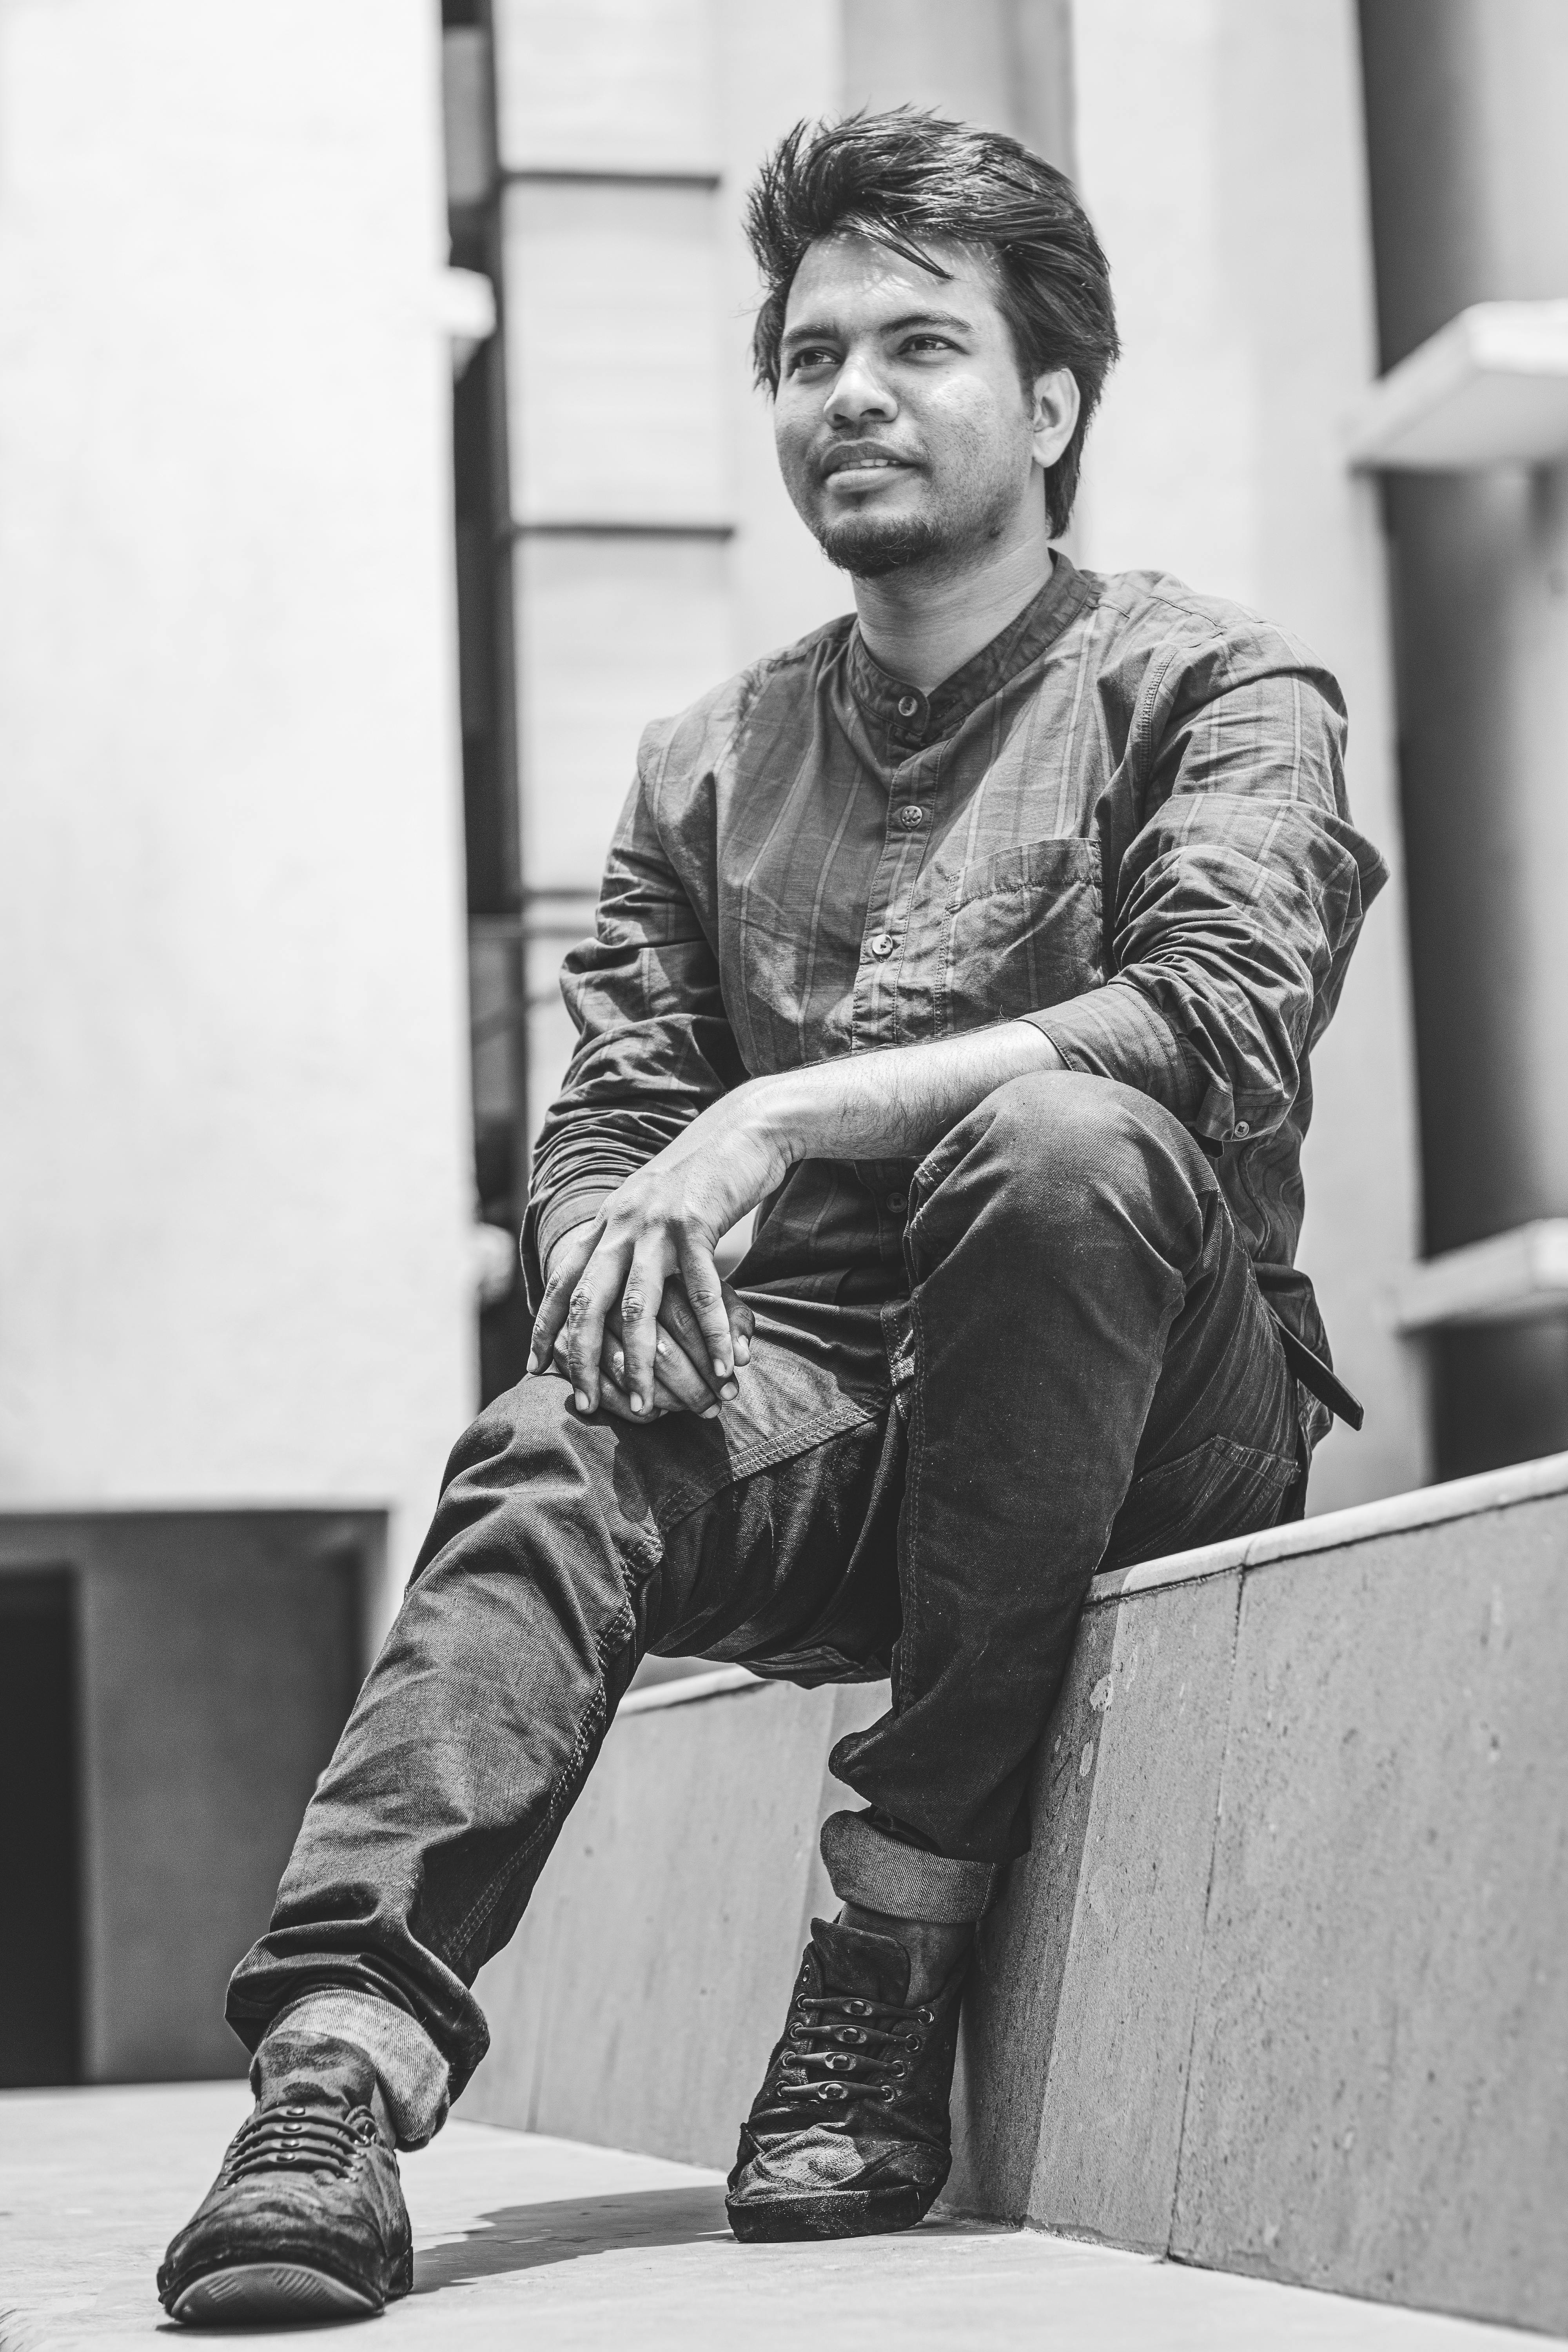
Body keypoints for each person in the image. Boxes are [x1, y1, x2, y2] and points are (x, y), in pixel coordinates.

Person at [158, 107, 1383, 2321]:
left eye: (922, 344)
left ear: (1054, 400)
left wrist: (783, 1121)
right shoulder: (704, 763)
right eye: (814, 354)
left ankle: (893, 1926)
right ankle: (333, 2084)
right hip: (829, 1434)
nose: (853, 395)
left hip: (1155, 1417)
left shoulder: (1214, 686)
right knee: (553, 1437)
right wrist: (616, 1239)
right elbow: (613, 1123)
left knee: (1065, 1150)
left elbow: (1215, 1024)